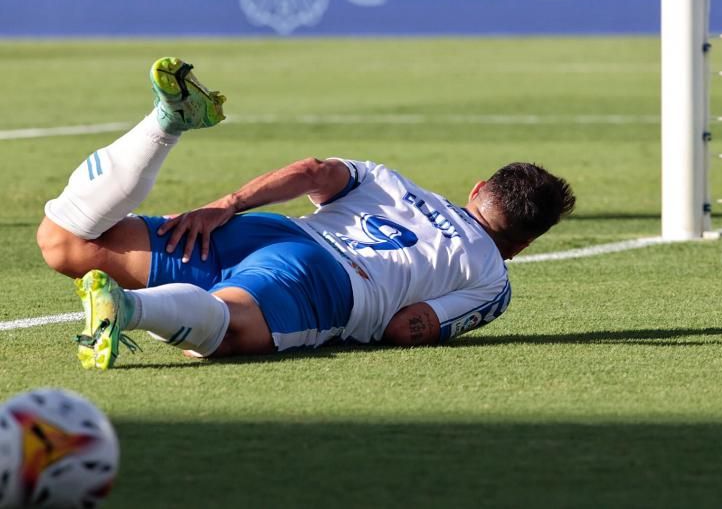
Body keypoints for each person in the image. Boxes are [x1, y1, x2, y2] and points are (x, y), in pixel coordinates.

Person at [36, 57, 576, 370]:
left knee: (67, 242)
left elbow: (314, 170)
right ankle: (126, 308)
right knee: (224, 333)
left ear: (477, 188)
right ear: (527, 242)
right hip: (323, 283)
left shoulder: (394, 182)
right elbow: (406, 329)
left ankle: (164, 123)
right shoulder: (491, 279)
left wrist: (226, 206)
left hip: (262, 231)